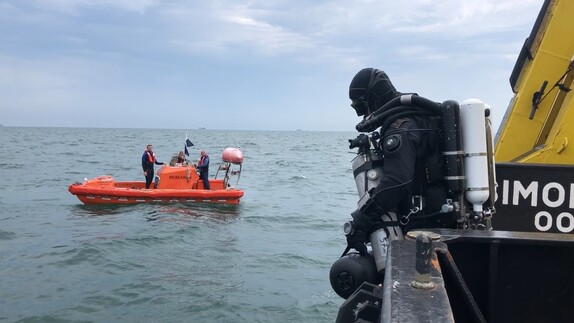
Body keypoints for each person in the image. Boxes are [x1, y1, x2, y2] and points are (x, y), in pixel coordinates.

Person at [345, 67, 454, 253]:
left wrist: (361, 221)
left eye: (362, 106)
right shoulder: (418, 116)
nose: (363, 115)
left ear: (372, 99)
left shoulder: (400, 127)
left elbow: (397, 182)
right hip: (443, 217)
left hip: (423, 226)